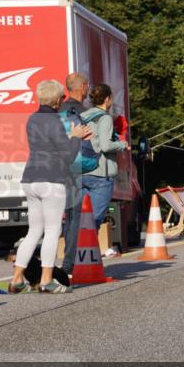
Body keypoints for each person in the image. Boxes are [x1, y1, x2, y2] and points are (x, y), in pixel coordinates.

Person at [8, 80, 92, 294]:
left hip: (30, 178)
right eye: (62, 98)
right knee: (53, 230)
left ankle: (17, 279)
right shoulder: (54, 120)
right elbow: (67, 155)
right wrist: (76, 137)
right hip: (51, 179)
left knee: (34, 230)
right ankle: (46, 280)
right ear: (57, 101)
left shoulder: (32, 118)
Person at [80, 83, 128, 256]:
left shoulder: (82, 116)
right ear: (107, 99)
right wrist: (122, 144)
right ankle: (85, 259)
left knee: (81, 217)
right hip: (101, 173)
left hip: (82, 171)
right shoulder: (105, 118)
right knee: (94, 218)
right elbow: (106, 146)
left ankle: (76, 255)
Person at [59, 72, 89, 277]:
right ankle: (68, 266)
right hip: (76, 168)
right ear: (83, 87)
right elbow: (91, 141)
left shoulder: (57, 110)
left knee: (58, 218)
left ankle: (30, 257)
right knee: (73, 218)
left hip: (54, 168)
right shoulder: (84, 113)